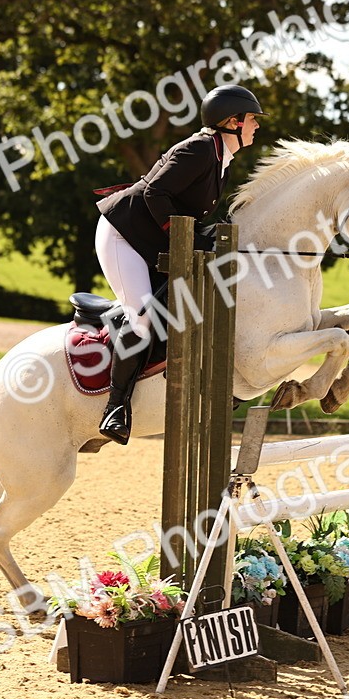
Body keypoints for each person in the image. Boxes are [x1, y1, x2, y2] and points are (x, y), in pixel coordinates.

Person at [92, 84, 265, 444]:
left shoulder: (221, 161)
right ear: (232, 122)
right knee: (142, 319)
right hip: (122, 235)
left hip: (149, 237)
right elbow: (156, 192)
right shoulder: (199, 150)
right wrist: (185, 238)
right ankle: (115, 407)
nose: (256, 126)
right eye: (252, 120)